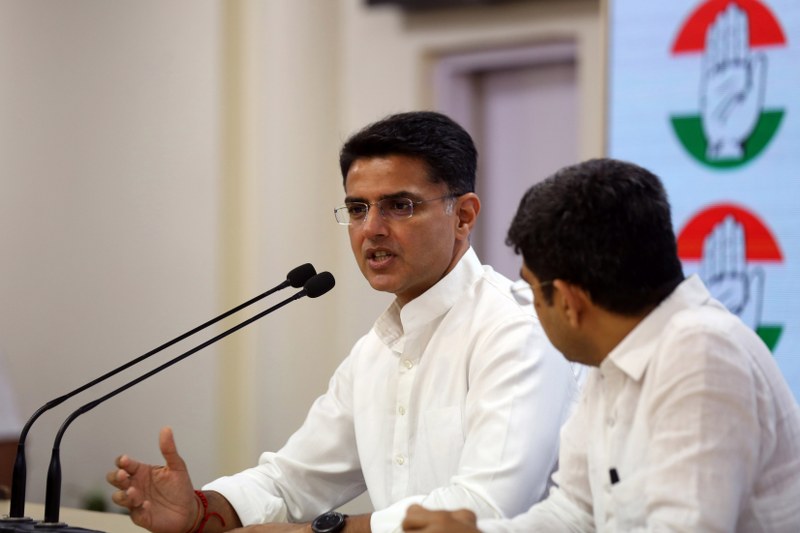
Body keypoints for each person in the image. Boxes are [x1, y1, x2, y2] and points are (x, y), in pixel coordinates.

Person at [107, 111, 579, 533]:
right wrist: (202, 511)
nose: (372, 228)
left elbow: (482, 510)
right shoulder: (377, 350)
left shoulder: (515, 329)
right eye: (357, 208)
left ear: (464, 215)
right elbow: (292, 480)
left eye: (400, 205)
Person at [402, 158, 800, 532]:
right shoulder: (616, 351)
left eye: (531, 292)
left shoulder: (703, 354)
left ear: (570, 303)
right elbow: (576, 512)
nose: (532, 308)